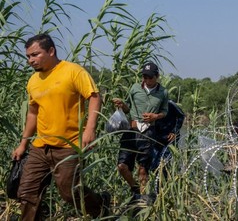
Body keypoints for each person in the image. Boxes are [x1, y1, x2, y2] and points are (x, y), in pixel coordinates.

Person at [11, 33, 109, 220]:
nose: (30, 60)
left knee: (69, 192)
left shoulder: (73, 71)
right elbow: (32, 113)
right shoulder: (33, 81)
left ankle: (100, 208)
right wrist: (23, 144)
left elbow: (95, 97)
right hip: (40, 146)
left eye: (35, 54)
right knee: (27, 193)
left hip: (68, 145)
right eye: (28, 56)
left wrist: (90, 130)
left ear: (51, 51)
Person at [113, 62, 169, 201]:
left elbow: (165, 111)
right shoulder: (135, 88)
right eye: (145, 77)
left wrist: (156, 116)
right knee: (122, 166)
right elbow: (127, 109)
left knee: (143, 169)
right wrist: (122, 105)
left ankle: (142, 200)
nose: (147, 80)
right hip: (131, 131)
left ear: (157, 76)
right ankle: (135, 188)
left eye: (150, 77)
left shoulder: (163, 92)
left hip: (148, 133)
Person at [151, 100, 185, 172]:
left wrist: (174, 131)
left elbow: (181, 115)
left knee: (164, 162)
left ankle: (164, 180)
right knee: (153, 163)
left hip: (170, 139)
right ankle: (155, 181)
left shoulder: (170, 104)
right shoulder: (151, 104)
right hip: (156, 138)